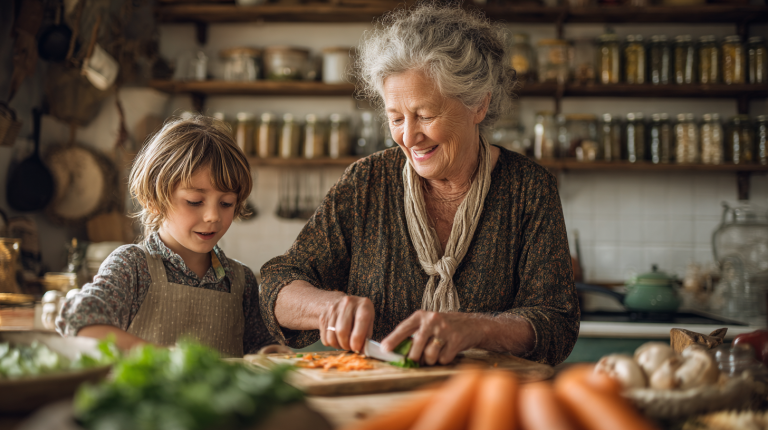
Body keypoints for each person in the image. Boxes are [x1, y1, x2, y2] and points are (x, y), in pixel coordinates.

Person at [259, 3, 579, 366]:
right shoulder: (367, 183)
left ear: (478, 105)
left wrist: (478, 329)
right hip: (378, 401)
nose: (409, 137)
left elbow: (557, 322)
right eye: (396, 118)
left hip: (486, 404)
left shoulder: (528, 189)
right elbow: (276, 283)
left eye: (425, 116)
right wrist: (326, 307)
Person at [56, 115, 273, 357]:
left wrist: (271, 354)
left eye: (226, 203)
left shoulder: (241, 280)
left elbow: (258, 351)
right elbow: (79, 321)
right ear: (154, 201)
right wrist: (166, 360)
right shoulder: (133, 266)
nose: (213, 216)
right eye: (194, 201)